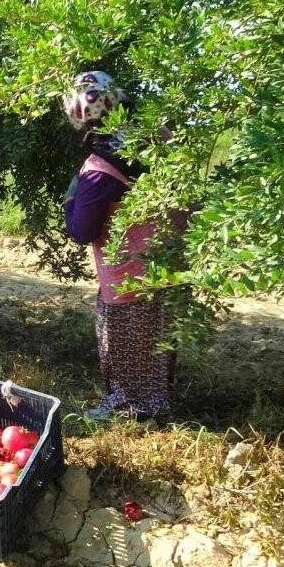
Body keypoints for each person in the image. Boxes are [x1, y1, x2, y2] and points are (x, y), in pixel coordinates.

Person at [62, 71, 177, 420]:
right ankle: (156, 402)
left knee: (125, 345)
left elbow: (82, 230)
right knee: (156, 343)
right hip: (165, 265)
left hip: (127, 277)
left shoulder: (99, 172)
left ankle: (129, 408)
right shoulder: (157, 143)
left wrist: (71, 198)